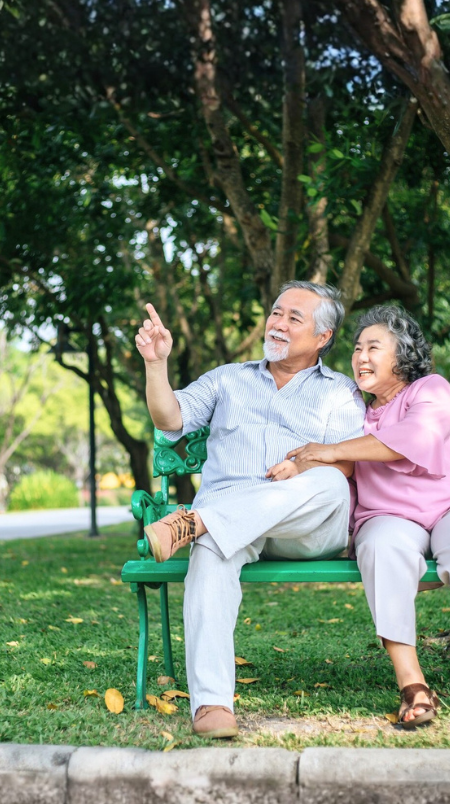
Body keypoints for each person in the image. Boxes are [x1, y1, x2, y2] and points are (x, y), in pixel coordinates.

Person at [288, 304, 450, 727]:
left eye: (374, 347)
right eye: (356, 348)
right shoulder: (351, 408)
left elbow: (415, 437)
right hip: (386, 515)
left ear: (403, 354)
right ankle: (412, 683)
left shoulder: (430, 389)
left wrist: (333, 449)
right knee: (380, 548)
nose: (360, 357)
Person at [135, 281, 365, 738]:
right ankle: (212, 705)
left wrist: (304, 464)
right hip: (235, 526)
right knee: (213, 550)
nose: (277, 324)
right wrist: (156, 364)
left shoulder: (340, 392)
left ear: (323, 337)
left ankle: (195, 522)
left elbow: (345, 466)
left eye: (293, 318)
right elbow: (170, 420)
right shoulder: (227, 378)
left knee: (329, 482)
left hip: (308, 527)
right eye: (276, 313)